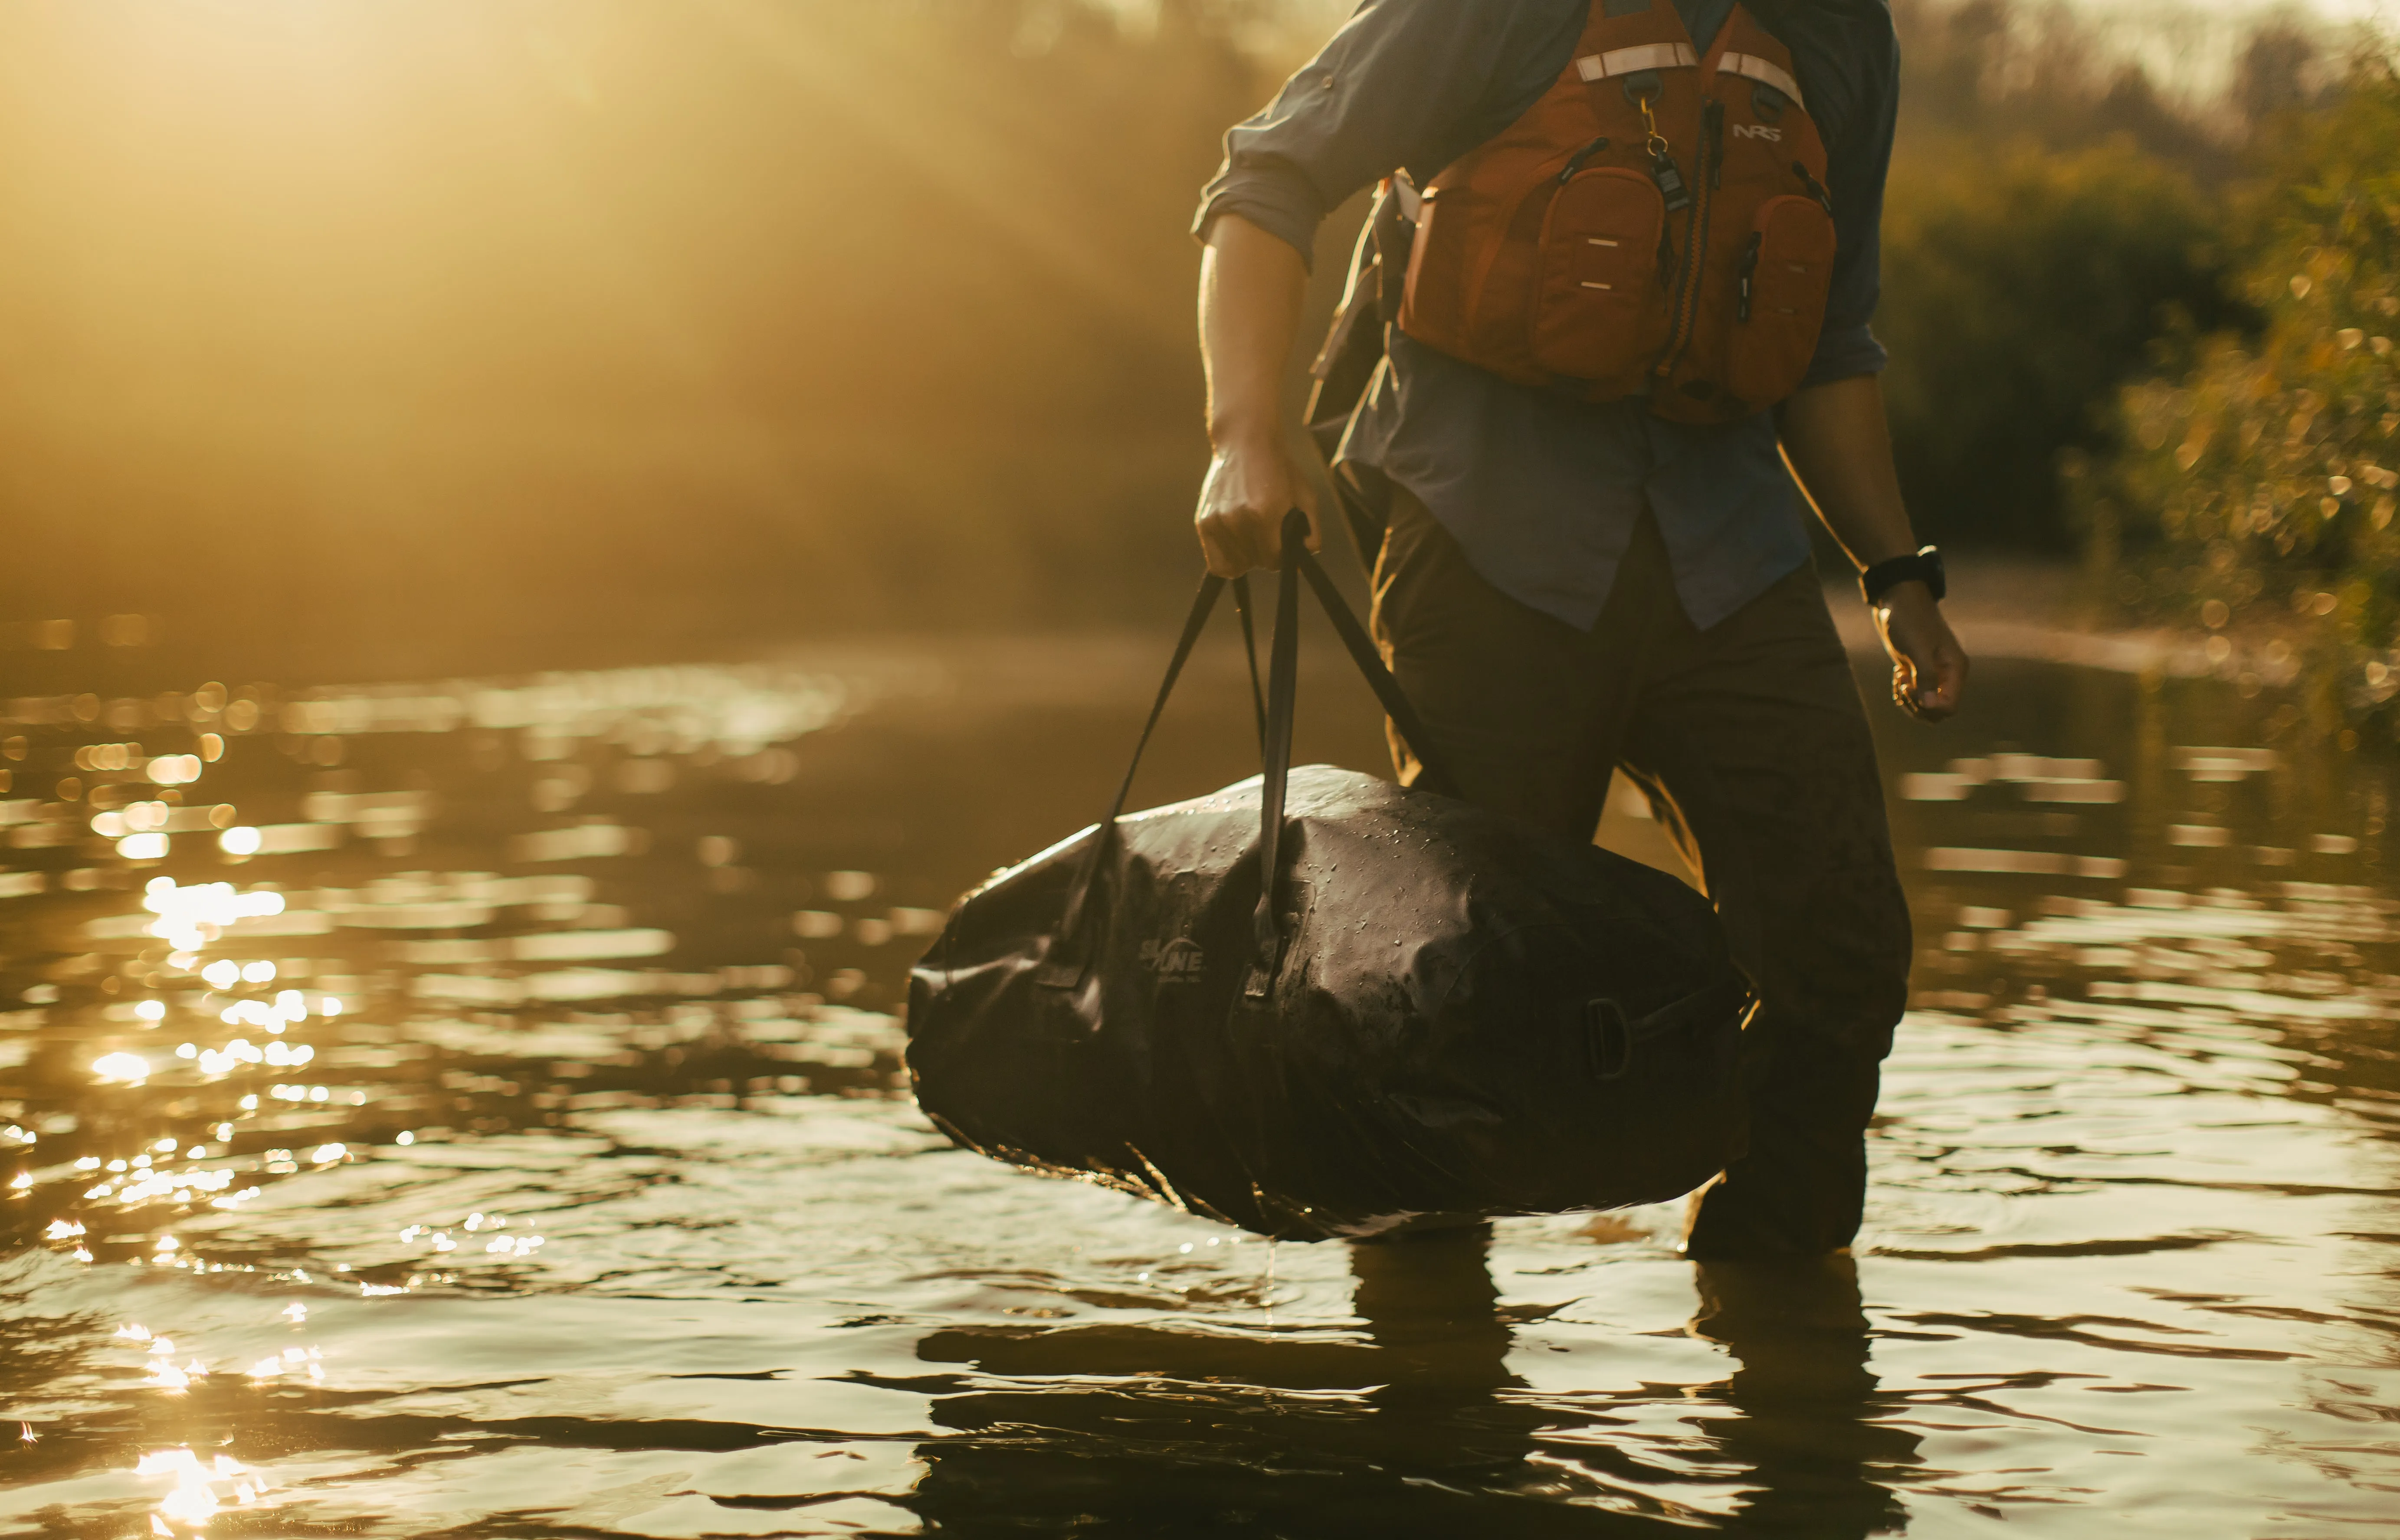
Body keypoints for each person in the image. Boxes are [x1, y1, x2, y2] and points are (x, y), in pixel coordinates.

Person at [1189, 0, 1967, 1260]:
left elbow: (1829, 338)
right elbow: (1264, 183)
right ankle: (1434, 1389)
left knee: (1838, 953)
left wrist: (1895, 571)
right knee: (1452, 994)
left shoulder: (1840, 38)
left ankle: (1785, 1360)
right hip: (1488, 540)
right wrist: (1242, 439)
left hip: (1733, 560)